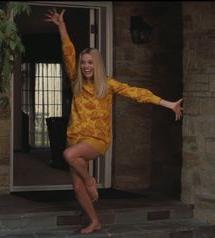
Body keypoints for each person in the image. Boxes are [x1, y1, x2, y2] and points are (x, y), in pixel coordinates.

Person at [45, 8, 183, 234]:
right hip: (75, 137)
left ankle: (91, 181)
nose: (86, 66)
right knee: (77, 187)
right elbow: (68, 51)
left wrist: (168, 104)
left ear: (96, 64)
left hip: (97, 140)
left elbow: (136, 93)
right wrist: (61, 26)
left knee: (69, 157)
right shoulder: (76, 81)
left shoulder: (107, 85)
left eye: (90, 62)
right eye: (83, 63)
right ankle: (94, 221)